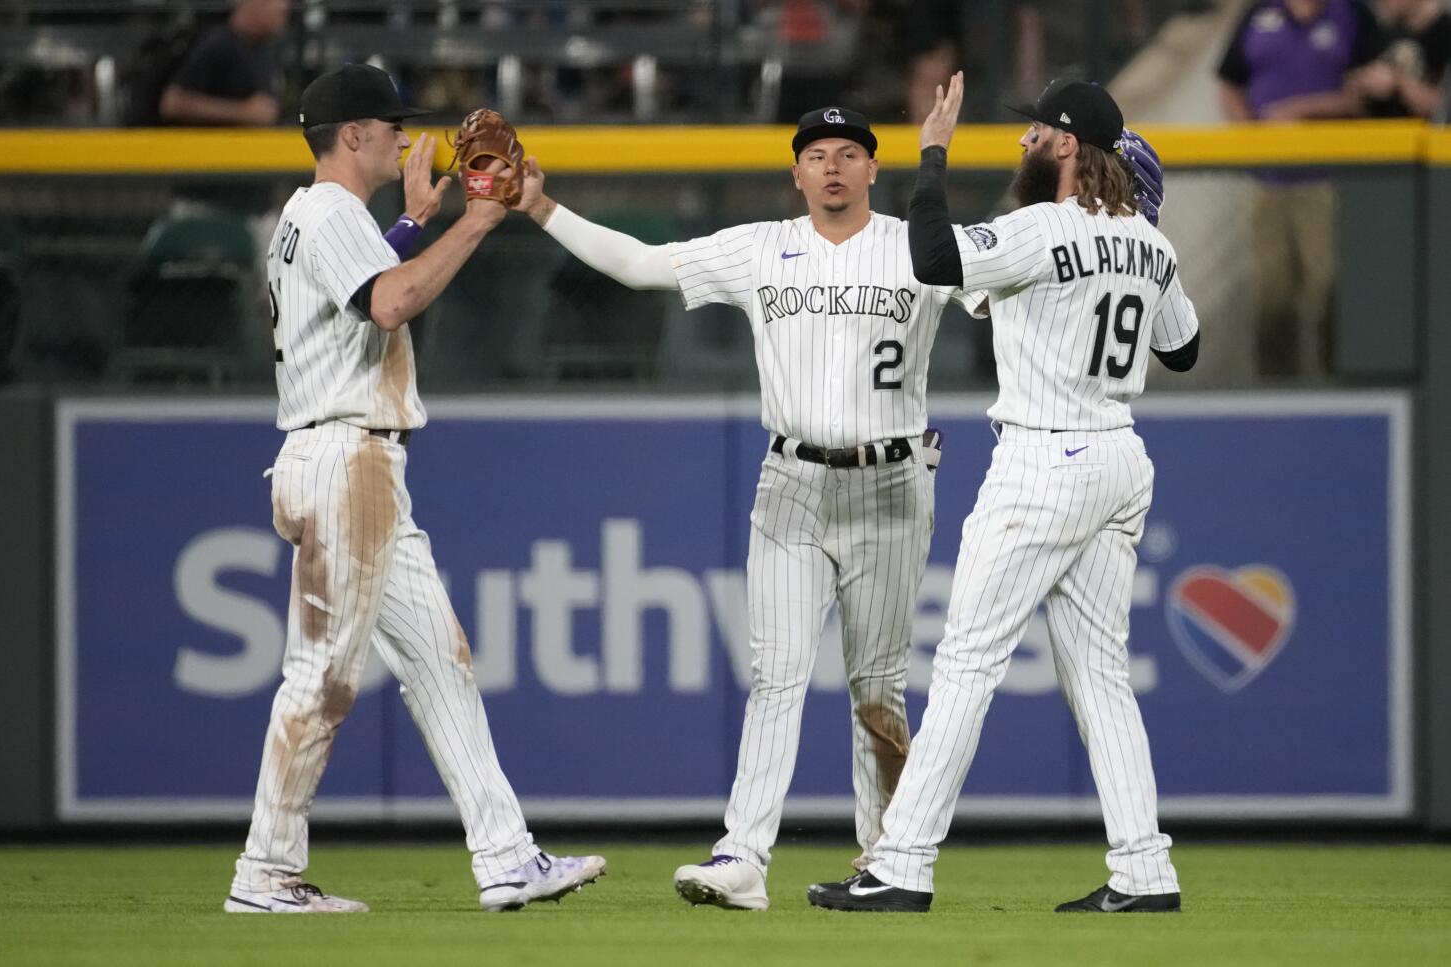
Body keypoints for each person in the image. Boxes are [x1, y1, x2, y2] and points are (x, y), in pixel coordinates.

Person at [517, 104, 956, 910]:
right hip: (790, 482)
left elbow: (1007, 294)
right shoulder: (760, 248)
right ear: (796, 173)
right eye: (817, 153)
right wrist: (543, 207)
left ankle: (889, 859)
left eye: (849, 153)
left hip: (891, 486)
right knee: (776, 677)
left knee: (878, 690)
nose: (832, 166)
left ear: (873, 169)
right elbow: (640, 264)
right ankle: (743, 855)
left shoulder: (918, 245)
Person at [806, 73, 1199, 914]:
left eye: (1035, 132)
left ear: (1067, 146)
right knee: (1101, 676)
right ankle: (1144, 867)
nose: (1022, 141)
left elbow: (935, 256)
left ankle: (902, 861)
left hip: (1044, 460)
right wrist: (1137, 252)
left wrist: (934, 153)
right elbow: (1186, 349)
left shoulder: (1036, 227)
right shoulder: (1151, 243)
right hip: (1120, 459)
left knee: (966, 664)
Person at [224, 63, 605, 915]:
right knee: (320, 677)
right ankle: (266, 872)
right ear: (353, 133)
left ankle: (506, 857)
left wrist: (413, 219)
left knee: (442, 662)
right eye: (391, 125)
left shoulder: (312, 216)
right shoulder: (326, 211)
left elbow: (357, 291)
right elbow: (390, 304)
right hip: (344, 457)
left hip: (354, 460)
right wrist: (477, 222)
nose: (406, 138)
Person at [1216, 0, 1383, 379]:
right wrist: (1251, 135)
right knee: (1272, 294)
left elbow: (1369, 93)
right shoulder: (1258, 14)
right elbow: (1228, 82)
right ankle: (1277, 389)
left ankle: (1339, 382)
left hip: (1329, 178)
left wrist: (1300, 110)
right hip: (1269, 180)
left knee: (1330, 288)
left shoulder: (1351, 14)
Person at [159, 0, 290, 126]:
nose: (283, 7)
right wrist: (242, 112)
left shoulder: (264, 50)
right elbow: (172, 104)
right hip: (209, 145)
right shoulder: (220, 44)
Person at [1350, 0, 1451, 118]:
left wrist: (1398, 83)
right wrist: (1362, 84)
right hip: (1380, 132)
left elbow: (1442, 108)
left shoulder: (1445, 34)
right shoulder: (1377, 31)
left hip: (1429, 134)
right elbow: (1353, 101)